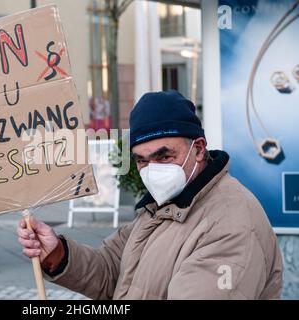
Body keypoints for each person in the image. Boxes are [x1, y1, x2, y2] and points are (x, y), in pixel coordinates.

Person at [17, 90, 283, 299]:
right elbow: (111, 269)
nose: (153, 170)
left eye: (164, 156)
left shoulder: (231, 223)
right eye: (142, 160)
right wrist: (57, 255)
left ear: (199, 149)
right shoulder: (159, 208)